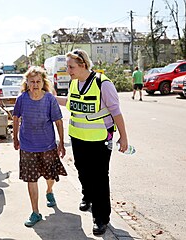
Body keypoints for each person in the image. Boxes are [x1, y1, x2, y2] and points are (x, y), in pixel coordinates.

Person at [55, 49, 129, 236]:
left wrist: (124, 137)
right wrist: (51, 98)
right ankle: (87, 196)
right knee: (82, 171)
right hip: (78, 137)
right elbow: (70, 103)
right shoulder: (74, 83)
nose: (68, 70)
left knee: (100, 178)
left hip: (101, 139)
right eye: (67, 67)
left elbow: (116, 112)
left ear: (83, 65)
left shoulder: (103, 84)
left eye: (71, 67)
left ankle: (101, 218)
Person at [12, 66, 67, 227]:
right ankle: (35, 212)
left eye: (38, 81)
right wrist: (15, 138)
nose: (35, 85)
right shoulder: (22, 99)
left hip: (47, 144)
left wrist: (61, 143)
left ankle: (49, 191)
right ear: (27, 83)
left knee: (50, 176)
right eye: (32, 82)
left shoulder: (49, 99)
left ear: (43, 82)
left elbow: (58, 121)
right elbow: (15, 118)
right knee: (31, 178)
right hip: (28, 145)